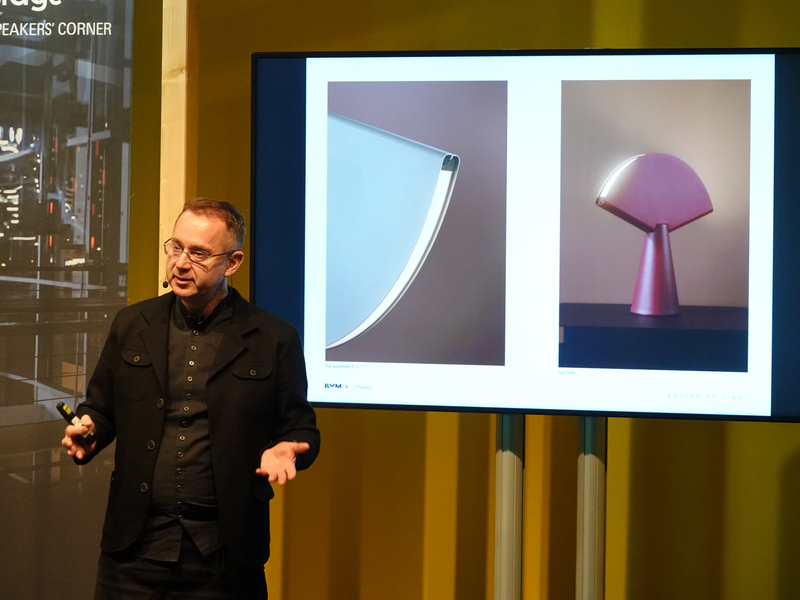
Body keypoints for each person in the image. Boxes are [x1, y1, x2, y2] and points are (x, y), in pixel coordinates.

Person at [61, 198, 319, 599]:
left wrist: (289, 450)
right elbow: (100, 408)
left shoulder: (273, 338)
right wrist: (89, 430)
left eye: (198, 253)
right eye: (176, 247)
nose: (181, 263)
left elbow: (302, 430)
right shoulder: (132, 324)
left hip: (225, 555)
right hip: (133, 552)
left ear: (232, 263)